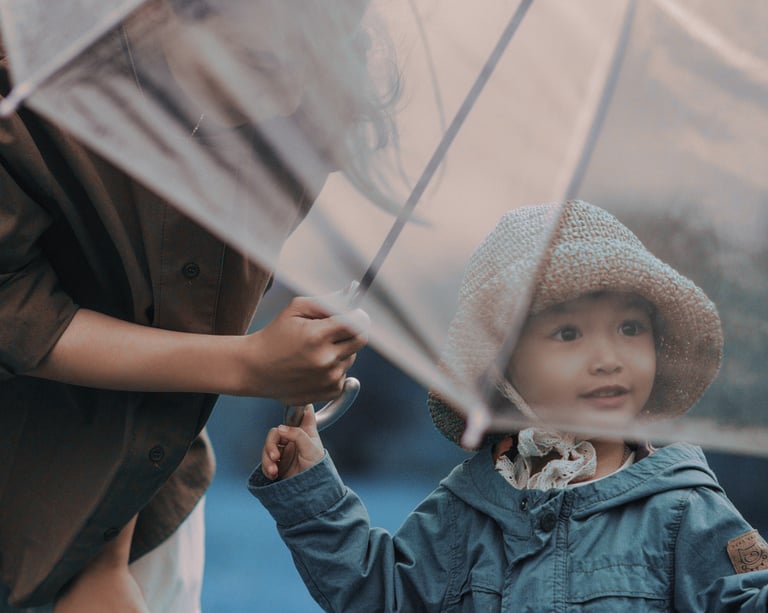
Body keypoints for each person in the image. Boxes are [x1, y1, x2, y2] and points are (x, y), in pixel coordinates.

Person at [0, 0, 397, 610]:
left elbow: (184, 320)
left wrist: (107, 556)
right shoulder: (30, 78)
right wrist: (250, 365)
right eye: (258, 62)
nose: (285, 93)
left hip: (139, 499)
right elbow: (11, 306)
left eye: (309, 65)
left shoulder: (299, 117)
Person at [250, 200, 768, 611]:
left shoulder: (683, 510)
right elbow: (381, 594)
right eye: (568, 333)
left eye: (630, 328)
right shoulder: (469, 507)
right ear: (503, 366)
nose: (609, 358)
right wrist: (312, 489)